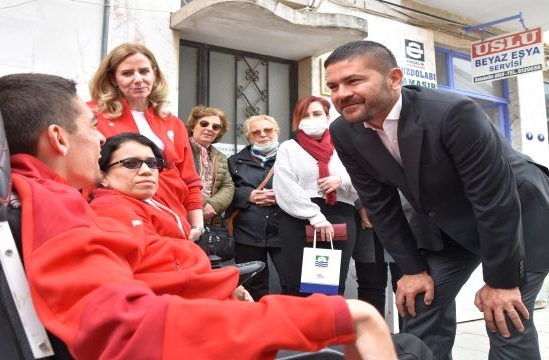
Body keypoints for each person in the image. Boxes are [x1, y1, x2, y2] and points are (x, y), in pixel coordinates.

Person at [0, 72, 398, 359]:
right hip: (207, 320)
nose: (100, 136)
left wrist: (219, 283)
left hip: (218, 294)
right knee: (381, 333)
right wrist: (335, 316)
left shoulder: (59, 198)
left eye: (151, 163)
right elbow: (129, 329)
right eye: (90, 124)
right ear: (58, 138)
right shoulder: (56, 209)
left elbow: (152, 263)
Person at [324, 40, 549, 360]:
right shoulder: (344, 131)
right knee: (418, 302)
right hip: (444, 223)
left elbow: (493, 201)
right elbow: (380, 205)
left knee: (504, 315)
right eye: (333, 86)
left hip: (516, 214)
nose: (341, 93)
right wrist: (413, 270)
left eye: (354, 80)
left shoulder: (452, 112)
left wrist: (500, 282)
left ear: (394, 78)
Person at [90, 132, 250, 301]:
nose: (146, 171)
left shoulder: (149, 201)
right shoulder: (114, 208)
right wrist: (225, 281)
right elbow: (161, 269)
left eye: (152, 163)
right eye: (131, 163)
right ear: (103, 176)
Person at [88, 42, 204, 241]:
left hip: (175, 222)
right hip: (123, 222)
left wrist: (197, 225)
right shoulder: (92, 115)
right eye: (127, 73)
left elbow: (189, 179)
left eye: (144, 71)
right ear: (113, 79)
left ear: (154, 74)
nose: (138, 79)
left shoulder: (173, 122)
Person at [273, 95, 361, 297]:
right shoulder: (289, 148)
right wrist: (315, 216)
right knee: (301, 285)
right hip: (300, 219)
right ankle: (302, 329)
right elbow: (285, 187)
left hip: (340, 216)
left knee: (331, 285)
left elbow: (364, 180)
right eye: (306, 115)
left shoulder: (345, 146)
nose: (312, 119)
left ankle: (327, 327)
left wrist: (342, 180)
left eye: (317, 114)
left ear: (328, 116)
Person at [227, 115, 286, 301]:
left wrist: (283, 196)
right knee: (253, 285)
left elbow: (307, 187)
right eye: (256, 132)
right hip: (247, 233)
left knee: (292, 281)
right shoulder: (234, 161)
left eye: (268, 130)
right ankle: (259, 326)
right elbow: (224, 191)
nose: (263, 135)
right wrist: (247, 195)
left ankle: (292, 324)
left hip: (284, 231)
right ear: (248, 137)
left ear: (277, 132)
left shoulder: (292, 157)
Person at [186, 105, 234, 231]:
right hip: (183, 215)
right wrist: (202, 204)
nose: (209, 129)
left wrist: (212, 205)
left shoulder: (220, 156)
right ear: (193, 126)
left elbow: (228, 186)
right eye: (204, 124)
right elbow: (178, 180)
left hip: (211, 221)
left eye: (215, 127)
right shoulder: (182, 148)